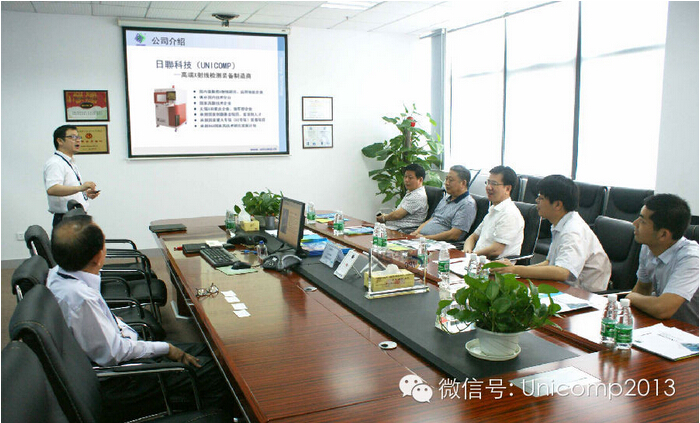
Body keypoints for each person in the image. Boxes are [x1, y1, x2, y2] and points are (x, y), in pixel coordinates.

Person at [46, 215, 233, 422]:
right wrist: (166, 349)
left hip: (112, 359)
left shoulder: (58, 275)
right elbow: (115, 353)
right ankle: (207, 415)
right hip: (120, 380)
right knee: (215, 373)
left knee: (213, 353)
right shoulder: (80, 299)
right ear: (98, 256)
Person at [493, 174, 611, 292]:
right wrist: (514, 269)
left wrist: (515, 270)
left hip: (584, 295)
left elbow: (563, 272)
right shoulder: (561, 224)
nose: (536, 201)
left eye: (541, 198)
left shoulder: (573, 231)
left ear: (557, 205)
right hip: (565, 288)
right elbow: (549, 263)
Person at [626, 194, 698, 325]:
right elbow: (643, 288)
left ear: (663, 234)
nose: (634, 223)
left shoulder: (691, 258)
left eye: (642, 221)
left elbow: (663, 309)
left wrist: (630, 297)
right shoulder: (648, 247)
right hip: (664, 326)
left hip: (692, 331)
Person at [44, 125, 100, 227]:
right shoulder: (55, 163)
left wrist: (84, 194)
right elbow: (52, 189)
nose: (78, 140)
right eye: (73, 137)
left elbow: (68, 188)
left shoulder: (69, 162)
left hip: (76, 217)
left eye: (78, 137)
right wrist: (80, 188)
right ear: (60, 141)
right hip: (66, 220)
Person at [463, 165, 524, 259]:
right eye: (488, 182)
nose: (488, 187)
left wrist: (472, 256)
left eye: (494, 184)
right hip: (477, 260)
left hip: (494, 265)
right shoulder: (493, 210)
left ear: (507, 189)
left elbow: (496, 250)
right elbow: (473, 237)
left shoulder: (509, 214)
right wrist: (467, 251)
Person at [411, 165, 476, 241]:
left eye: (451, 180)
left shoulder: (467, 204)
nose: (446, 183)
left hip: (439, 244)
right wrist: (416, 232)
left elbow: (454, 235)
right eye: (446, 179)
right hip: (422, 239)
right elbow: (433, 218)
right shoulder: (446, 198)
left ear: (463, 183)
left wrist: (425, 238)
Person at [376, 163, 428, 233]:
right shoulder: (412, 192)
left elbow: (397, 215)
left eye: (410, 178)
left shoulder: (418, 195)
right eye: (405, 177)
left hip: (402, 231)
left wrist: (383, 218)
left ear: (420, 180)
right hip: (393, 229)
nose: (406, 180)